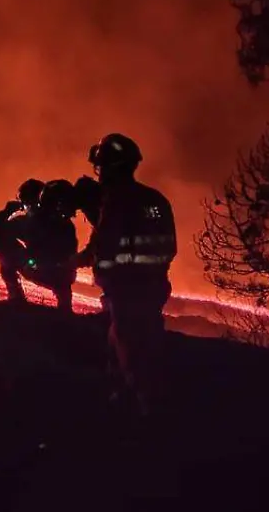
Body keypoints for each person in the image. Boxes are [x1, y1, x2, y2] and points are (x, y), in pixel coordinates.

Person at [77, 133, 177, 417]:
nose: (99, 174)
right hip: (154, 286)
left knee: (131, 350)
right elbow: (168, 247)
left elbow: (107, 244)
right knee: (138, 341)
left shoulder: (117, 202)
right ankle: (128, 399)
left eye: (101, 167)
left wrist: (97, 268)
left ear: (111, 168)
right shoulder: (154, 199)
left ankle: (147, 414)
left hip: (126, 290)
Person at [18, 179, 79, 312]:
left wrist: (31, 262)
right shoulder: (67, 226)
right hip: (62, 276)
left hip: (50, 272)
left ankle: (15, 294)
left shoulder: (36, 222)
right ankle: (65, 307)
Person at [0, 179, 44, 303]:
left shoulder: (53, 223)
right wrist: (4, 213)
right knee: (3, 238)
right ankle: (16, 295)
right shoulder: (25, 222)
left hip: (49, 270)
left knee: (4, 239)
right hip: (48, 271)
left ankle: (16, 295)